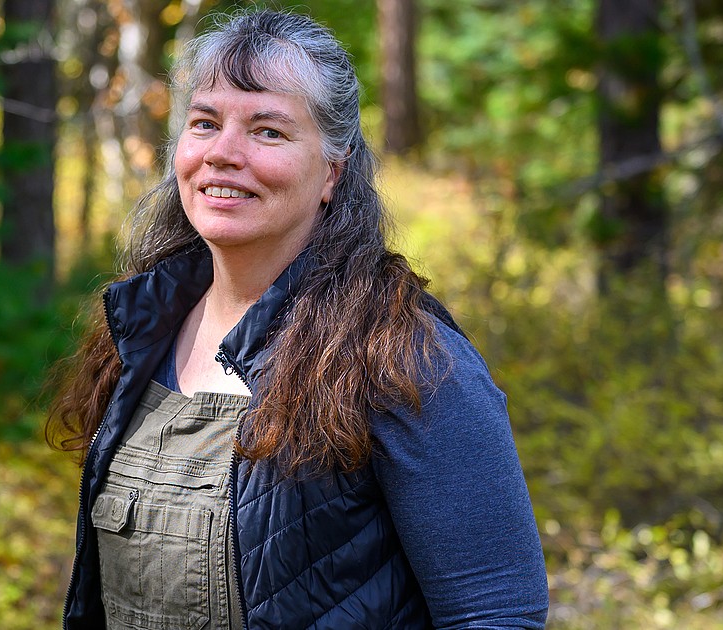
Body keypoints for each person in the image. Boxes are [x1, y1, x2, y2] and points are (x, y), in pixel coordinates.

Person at [48, 8, 549, 629]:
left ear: (332, 172)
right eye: (205, 123)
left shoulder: (403, 355)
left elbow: (497, 613)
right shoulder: (141, 328)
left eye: (268, 131)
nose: (223, 154)